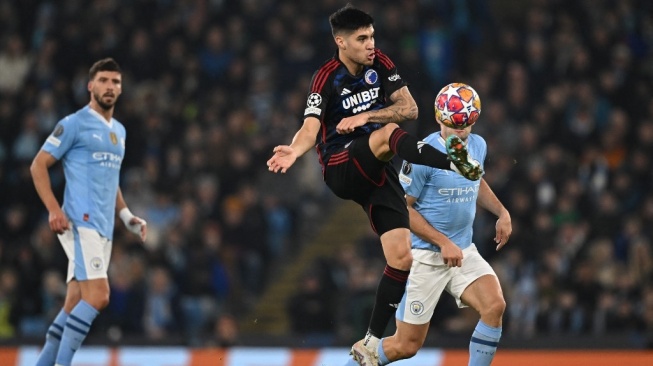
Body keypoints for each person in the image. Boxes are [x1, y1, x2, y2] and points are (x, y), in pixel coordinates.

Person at [266, 5, 483, 365]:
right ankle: (453, 160)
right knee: (386, 136)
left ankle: (369, 342)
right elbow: (310, 127)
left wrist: (366, 115)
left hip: (377, 170)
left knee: (401, 257)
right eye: (362, 39)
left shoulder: (380, 63)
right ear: (341, 42)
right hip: (341, 166)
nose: (371, 44)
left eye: (372, 36)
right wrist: (294, 151)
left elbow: (410, 108)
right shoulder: (325, 78)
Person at [370, 100, 512, 365]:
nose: (460, 131)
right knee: (405, 345)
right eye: (454, 124)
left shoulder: (478, 145)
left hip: (463, 251)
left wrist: (502, 212)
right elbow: (402, 208)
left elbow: (475, 180)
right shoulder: (421, 155)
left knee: (494, 306)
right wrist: (442, 242)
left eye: (465, 124)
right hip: (426, 255)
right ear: (440, 119)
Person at [30, 58, 147, 366]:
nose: (110, 87)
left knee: (75, 301)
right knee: (98, 295)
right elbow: (38, 165)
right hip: (80, 222)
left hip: (103, 225)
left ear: (121, 89)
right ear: (90, 86)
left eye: (116, 82)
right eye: (104, 80)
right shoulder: (73, 124)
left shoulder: (119, 131)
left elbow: (112, 180)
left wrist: (126, 216)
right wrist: (54, 209)